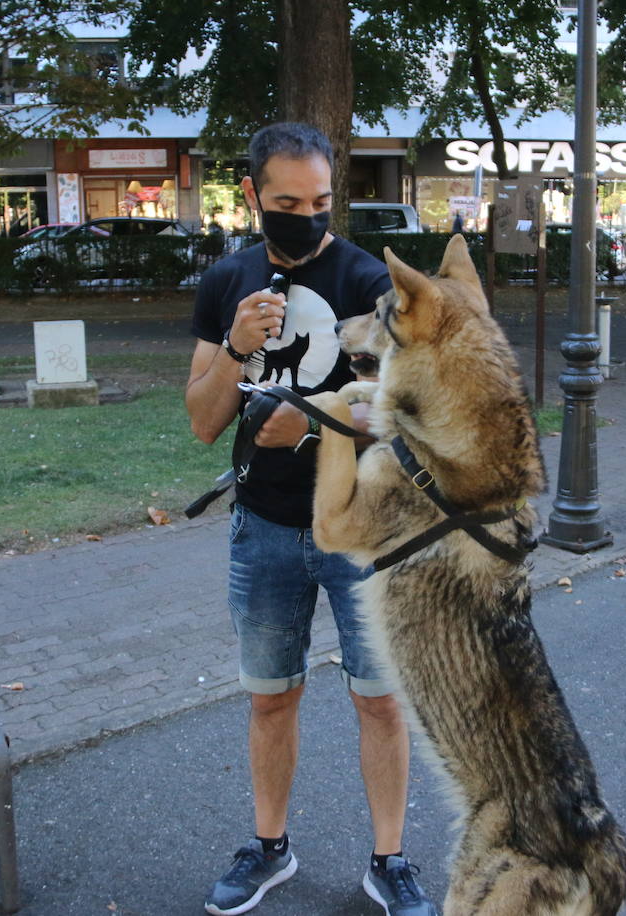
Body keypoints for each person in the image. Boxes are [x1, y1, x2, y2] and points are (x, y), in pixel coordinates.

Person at [186, 122, 437, 916]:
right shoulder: (226, 282)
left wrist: (315, 420)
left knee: (381, 700)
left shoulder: (369, 282)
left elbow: (412, 418)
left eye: (323, 201)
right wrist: (234, 347)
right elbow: (201, 420)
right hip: (262, 530)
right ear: (254, 196)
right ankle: (269, 848)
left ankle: (390, 861)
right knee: (270, 697)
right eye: (289, 201)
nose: (309, 216)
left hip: (362, 530)